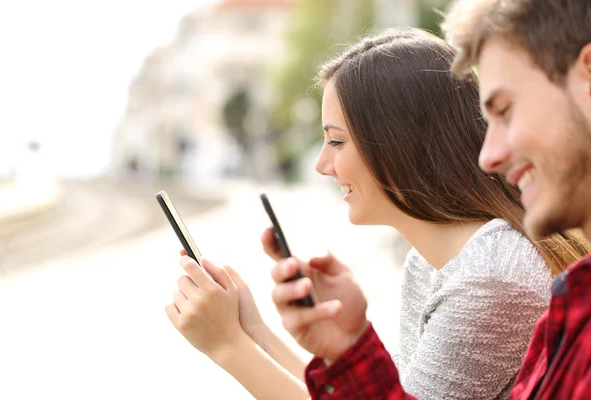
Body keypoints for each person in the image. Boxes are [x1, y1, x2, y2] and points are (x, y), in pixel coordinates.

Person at [165, 27, 590, 399]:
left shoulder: (491, 279)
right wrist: (253, 331)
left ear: (398, 144)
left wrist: (228, 349)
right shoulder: (429, 261)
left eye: (336, 142)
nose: (321, 165)